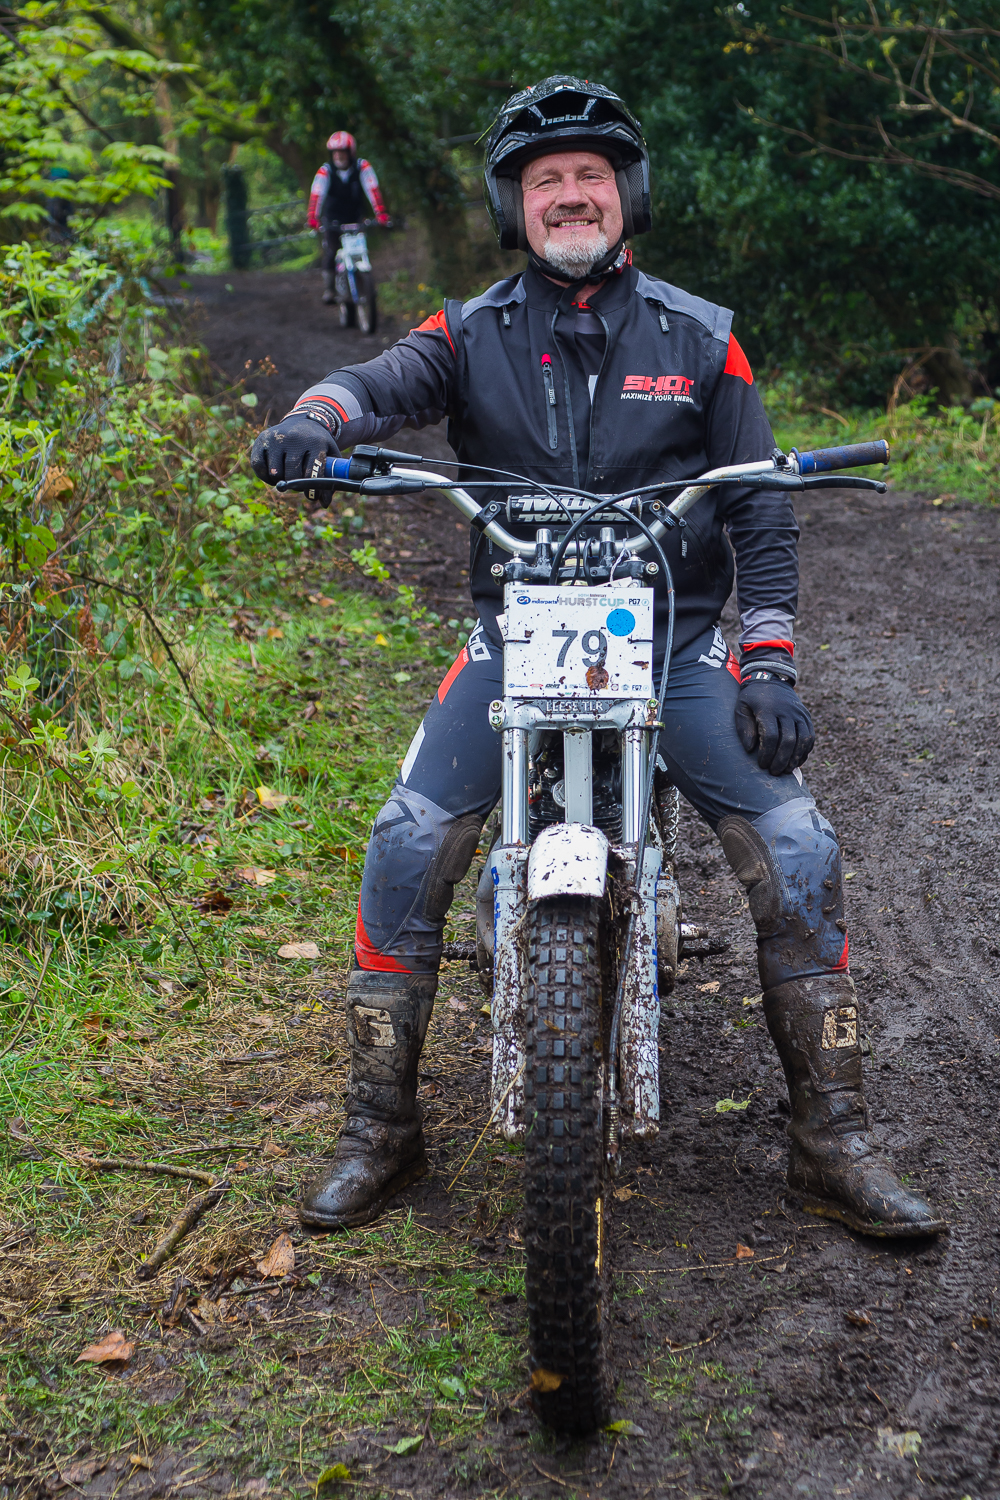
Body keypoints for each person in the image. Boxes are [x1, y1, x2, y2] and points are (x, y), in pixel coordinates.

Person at [252, 76, 945, 1241]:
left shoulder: (702, 337)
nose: (569, 195)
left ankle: (833, 1141)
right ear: (513, 206)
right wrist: (315, 420)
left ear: (627, 194)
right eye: (545, 180)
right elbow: (372, 386)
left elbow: (760, 506)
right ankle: (380, 1128)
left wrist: (769, 660)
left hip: (673, 641)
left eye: (589, 175)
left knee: (797, 847)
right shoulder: (466, 332)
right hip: (515, 637)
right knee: (406, 841)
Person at [307, 131, 390, 305]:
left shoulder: (362, 167)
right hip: (332, 219)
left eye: (342, 152)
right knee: (331, 251)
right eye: (335, 152)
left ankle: (364, 283)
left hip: (356, 217)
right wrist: (313, 217)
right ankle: (330, 289)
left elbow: (373, 190)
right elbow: (317, 194)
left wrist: (381, 213)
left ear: (350, 152)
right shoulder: (325, 171)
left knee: (362, 249)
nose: (339, 156)